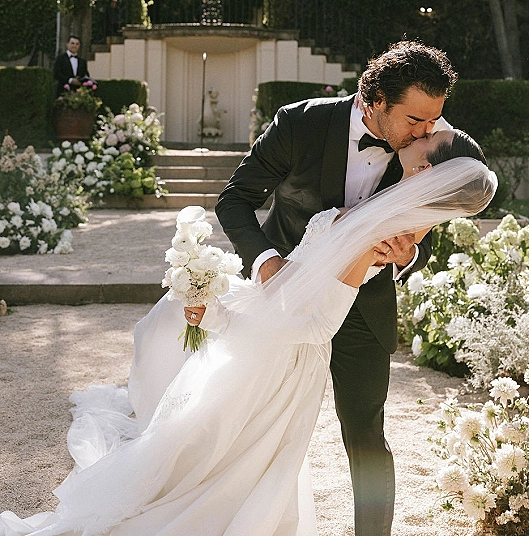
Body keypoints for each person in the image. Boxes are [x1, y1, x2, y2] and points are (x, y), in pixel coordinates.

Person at [0, 143, 496, 536]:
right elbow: (303, 277)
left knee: (219, 450)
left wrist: (225, 316)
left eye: (431, 135)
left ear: (428, 166)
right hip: (273, 326)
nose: (426, 130)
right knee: (206, 432)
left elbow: (319, 321)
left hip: (284, 354)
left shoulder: (391, 228)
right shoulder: (392, 203)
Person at [215, 39, 458, 536]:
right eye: (415, 120)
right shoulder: (298, 124)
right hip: (287, 301)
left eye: (433, 119)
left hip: (364, 307)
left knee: (367, 434)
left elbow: (433, 224)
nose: (428, 131)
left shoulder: (432, 144)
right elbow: (234, 202)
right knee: (254, 424)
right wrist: (265, 263)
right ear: (375, 101)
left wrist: (409, 254)